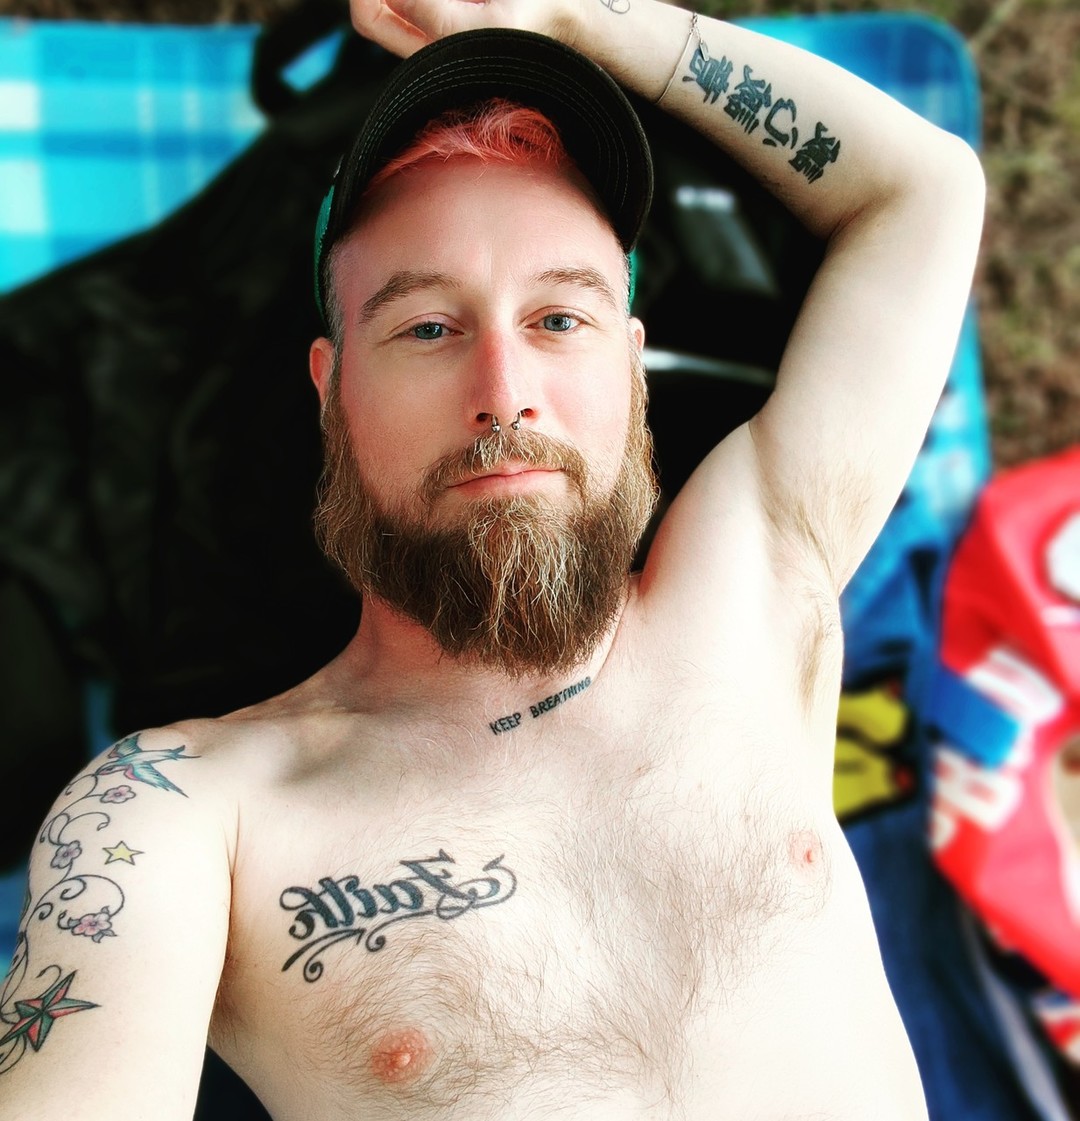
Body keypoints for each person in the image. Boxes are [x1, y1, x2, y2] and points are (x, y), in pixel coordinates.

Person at [0, 0, 984, 1115]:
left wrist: (577, 19)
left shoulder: (756, 582)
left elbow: (925, 190)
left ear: (634, 366)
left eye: (560, 319)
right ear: (330, 387)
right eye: (428, 327)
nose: (504, 392)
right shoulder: (185, 812)